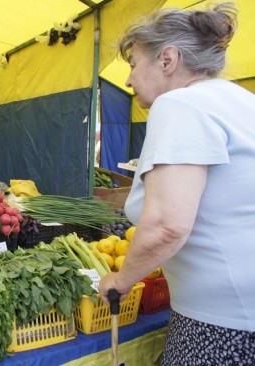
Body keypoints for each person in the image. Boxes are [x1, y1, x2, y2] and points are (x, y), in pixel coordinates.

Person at [97, 3, 255, 365]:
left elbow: (167, 225)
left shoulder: (180, 104)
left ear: (167, 60)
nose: (127, 80)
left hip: (224, 324)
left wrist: (121, 281)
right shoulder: (241, 101)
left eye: (133, 64)